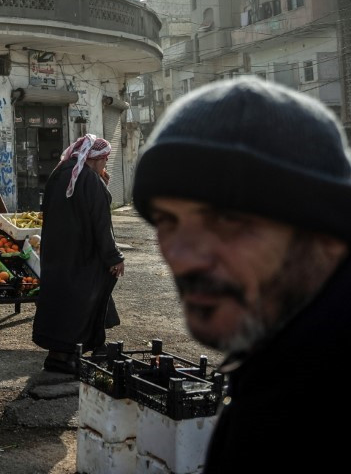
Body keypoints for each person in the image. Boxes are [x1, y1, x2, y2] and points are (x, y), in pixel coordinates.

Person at [132, 78, 350, 472]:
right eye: (167, 220)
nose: (181, 258)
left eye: (227, 219)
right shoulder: (278, 366)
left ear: (328, 235)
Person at [32, 133, 125, 373]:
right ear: (96, 158)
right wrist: (114, 257)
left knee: (62, 302)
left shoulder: (60, 173)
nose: (105, 165)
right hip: (83, 256)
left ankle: (82, 349)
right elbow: (101, 224)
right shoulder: (89, 180)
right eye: (105, 160)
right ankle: (68, 356)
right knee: (81, 302)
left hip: (57, 255)